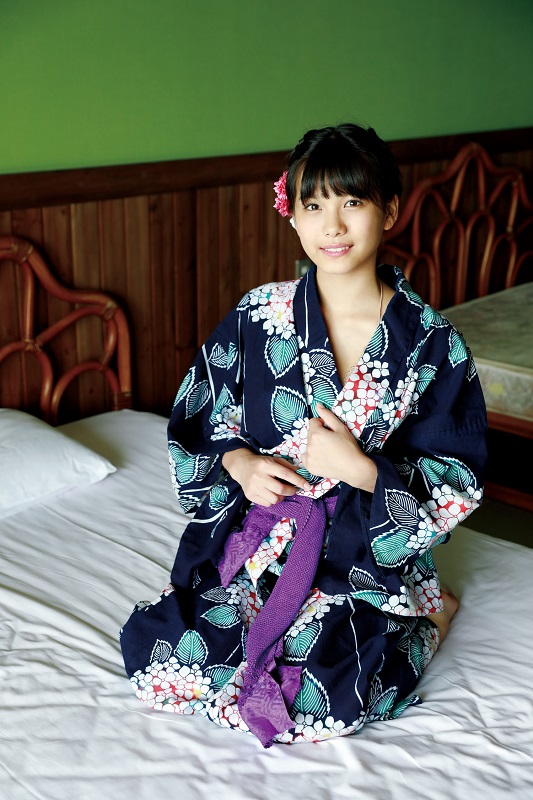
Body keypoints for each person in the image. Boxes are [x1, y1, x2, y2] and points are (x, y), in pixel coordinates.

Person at [120, 122, 487, 748]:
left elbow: (457, 476)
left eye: (353, 202)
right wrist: (240, 464)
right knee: (163, 662)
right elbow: (200, 415)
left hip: (362, 556)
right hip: (263, 543)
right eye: (313, 205)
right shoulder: (259, 313)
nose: (332, 226)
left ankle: (431, 620)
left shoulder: (431, 342)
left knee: (324, 698)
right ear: (291, 216)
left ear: (389, 211)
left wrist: (360, 469)